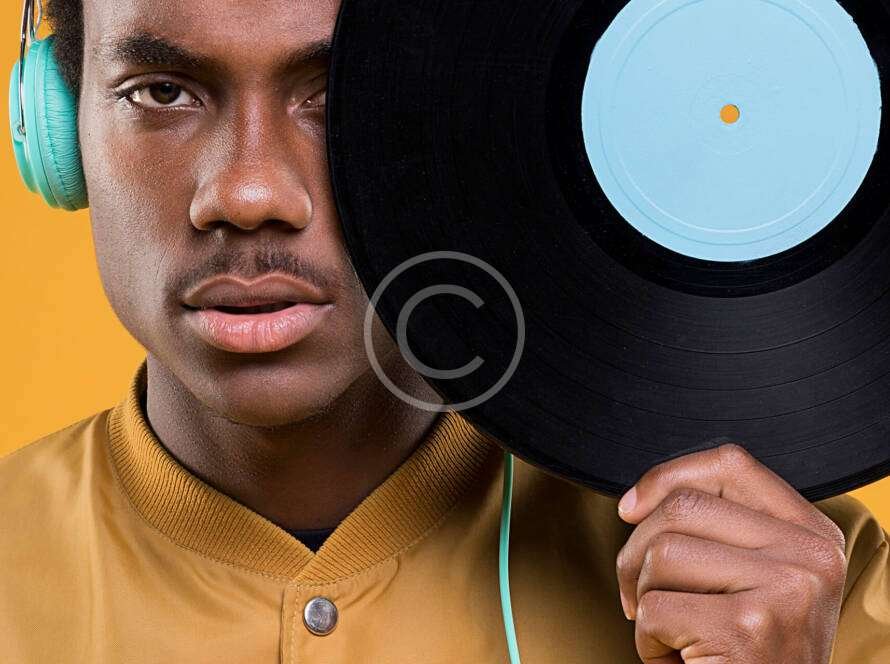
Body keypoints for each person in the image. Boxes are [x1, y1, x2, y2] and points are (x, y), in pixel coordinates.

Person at [1, 1, 888, 662]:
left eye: (335, 96)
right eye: (161, 92)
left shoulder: (793, 590)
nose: (249, 193)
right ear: (58, 133)